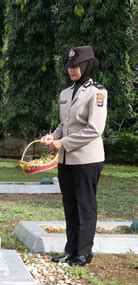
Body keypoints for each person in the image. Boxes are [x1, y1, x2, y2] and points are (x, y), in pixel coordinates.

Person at [41, 45, 107, 266]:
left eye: (76, 65)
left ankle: (84, 252)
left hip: (87, 159)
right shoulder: (65, 93)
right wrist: (53, 137)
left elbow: (94, 129)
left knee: (85, 206)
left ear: (87, 65)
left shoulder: (97, 92)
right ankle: (70, 250)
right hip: (66, 159)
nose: (72, 69)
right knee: (69, 205)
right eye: (69, 66)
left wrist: (63, 143)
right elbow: (64, 123)